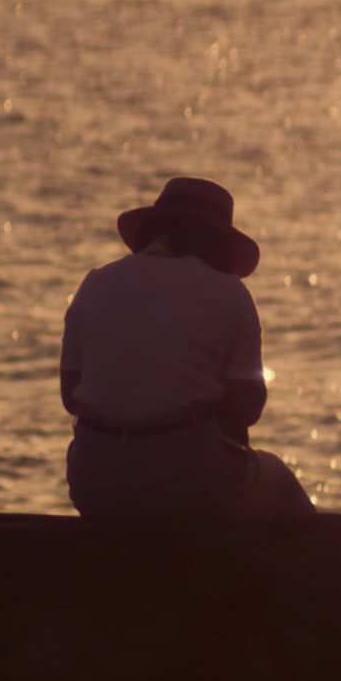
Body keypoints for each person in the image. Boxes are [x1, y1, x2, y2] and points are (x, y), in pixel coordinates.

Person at [60, 177, 313, 520]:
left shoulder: (95, 282)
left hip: (94, 482)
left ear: (151, 231)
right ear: (220, 242)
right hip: (187, 483)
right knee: (279, 480)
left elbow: (71, 396)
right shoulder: (230, 293)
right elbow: (247, 408)